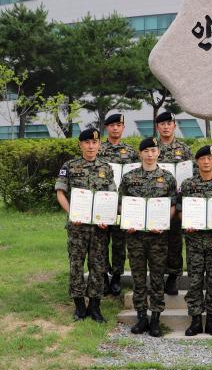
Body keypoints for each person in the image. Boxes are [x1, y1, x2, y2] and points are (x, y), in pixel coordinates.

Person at [55, 128, 115, 323]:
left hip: (99, 228)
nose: (91, 146)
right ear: (80, 144)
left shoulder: (106, 168)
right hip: (78, 227)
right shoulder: (69, 166)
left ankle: (95, 307)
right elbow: (60, 193)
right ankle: (79, 306)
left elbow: (111, 197)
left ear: (99, 145)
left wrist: (108, 217)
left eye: (94, 142)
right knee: (76, 265)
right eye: (87, 142)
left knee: (98, 266)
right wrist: (72, 213)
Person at [120, 137, 177, 337]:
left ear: (158, 153)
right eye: (146, 151)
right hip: (135, 237)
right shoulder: (129, 177)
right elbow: (122, 204)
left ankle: (155, 319)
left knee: (157, 277)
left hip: (158, 237)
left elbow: (172, 206)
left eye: (154, 151)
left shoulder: (168, 178)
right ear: (140, 153)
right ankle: (141, 317)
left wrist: (162, 224)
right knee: (138, 277)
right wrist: (129, 223)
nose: (150, 154)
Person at [178, 145, 212, 336]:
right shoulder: (187, 185)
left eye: (210, 158)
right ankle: (194, 321)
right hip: (194, 240)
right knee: (194, 281)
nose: (206, 162)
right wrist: (187, 222)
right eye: (203, 159)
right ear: (197, 161)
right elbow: (180, 210)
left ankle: (211, 320)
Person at [98, 113, 138, 296]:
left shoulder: (131, 152)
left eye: (118, 125)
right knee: (101, 241)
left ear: (123, 128)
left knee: (119, 243)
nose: (115, 128)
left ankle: (116, 276)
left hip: (123, 204)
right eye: (112, 125)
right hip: (102, 203)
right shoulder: (98, 149)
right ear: (107, 127)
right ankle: (103, 276)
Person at [155, 112, 192, 296]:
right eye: (162, 123)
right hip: (157, 201)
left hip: (177, 202)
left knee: (175, 240)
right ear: (157, 127)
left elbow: (190, 176)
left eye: (169, 123)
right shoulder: (153, 148)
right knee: (156, 240)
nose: (166, 126)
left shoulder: (184, 150)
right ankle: (157, 275)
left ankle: (173, 276)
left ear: (174, 126)